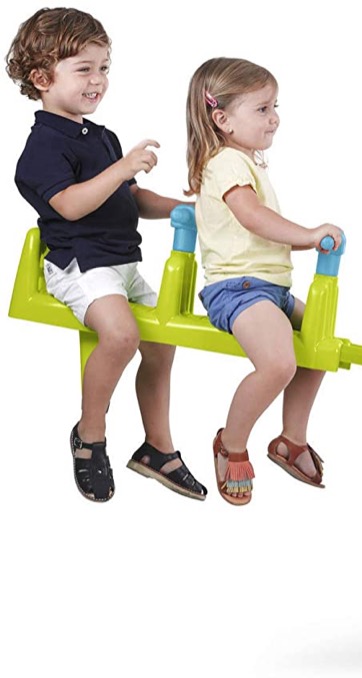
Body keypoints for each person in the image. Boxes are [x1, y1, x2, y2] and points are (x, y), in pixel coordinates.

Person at [8, 7, 206, 502]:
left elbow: (132, 200)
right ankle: (89, 435)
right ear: (41, 78)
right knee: (121, 335)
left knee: (162, 343)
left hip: (121, 263)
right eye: (84, 69)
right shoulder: (42, 147)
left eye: (104, 68)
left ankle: (157, 448)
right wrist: (120, 169)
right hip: (78, 263)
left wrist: (186, 209)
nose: (98, 80)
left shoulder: (101, 137)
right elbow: (71, 205)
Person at [184, 57, 344, 506]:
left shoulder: (245, 163)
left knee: (320, 342)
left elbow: (259, 231)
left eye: (275, 107)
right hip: (236, 289)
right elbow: (253, 218)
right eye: (262, 109)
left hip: (268, 290)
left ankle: (291, 439)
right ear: (222, 119)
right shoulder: (225, 163)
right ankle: (231, 443)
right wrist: (309, 234)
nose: (274, 118)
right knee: (277, 364)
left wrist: (303, 239)